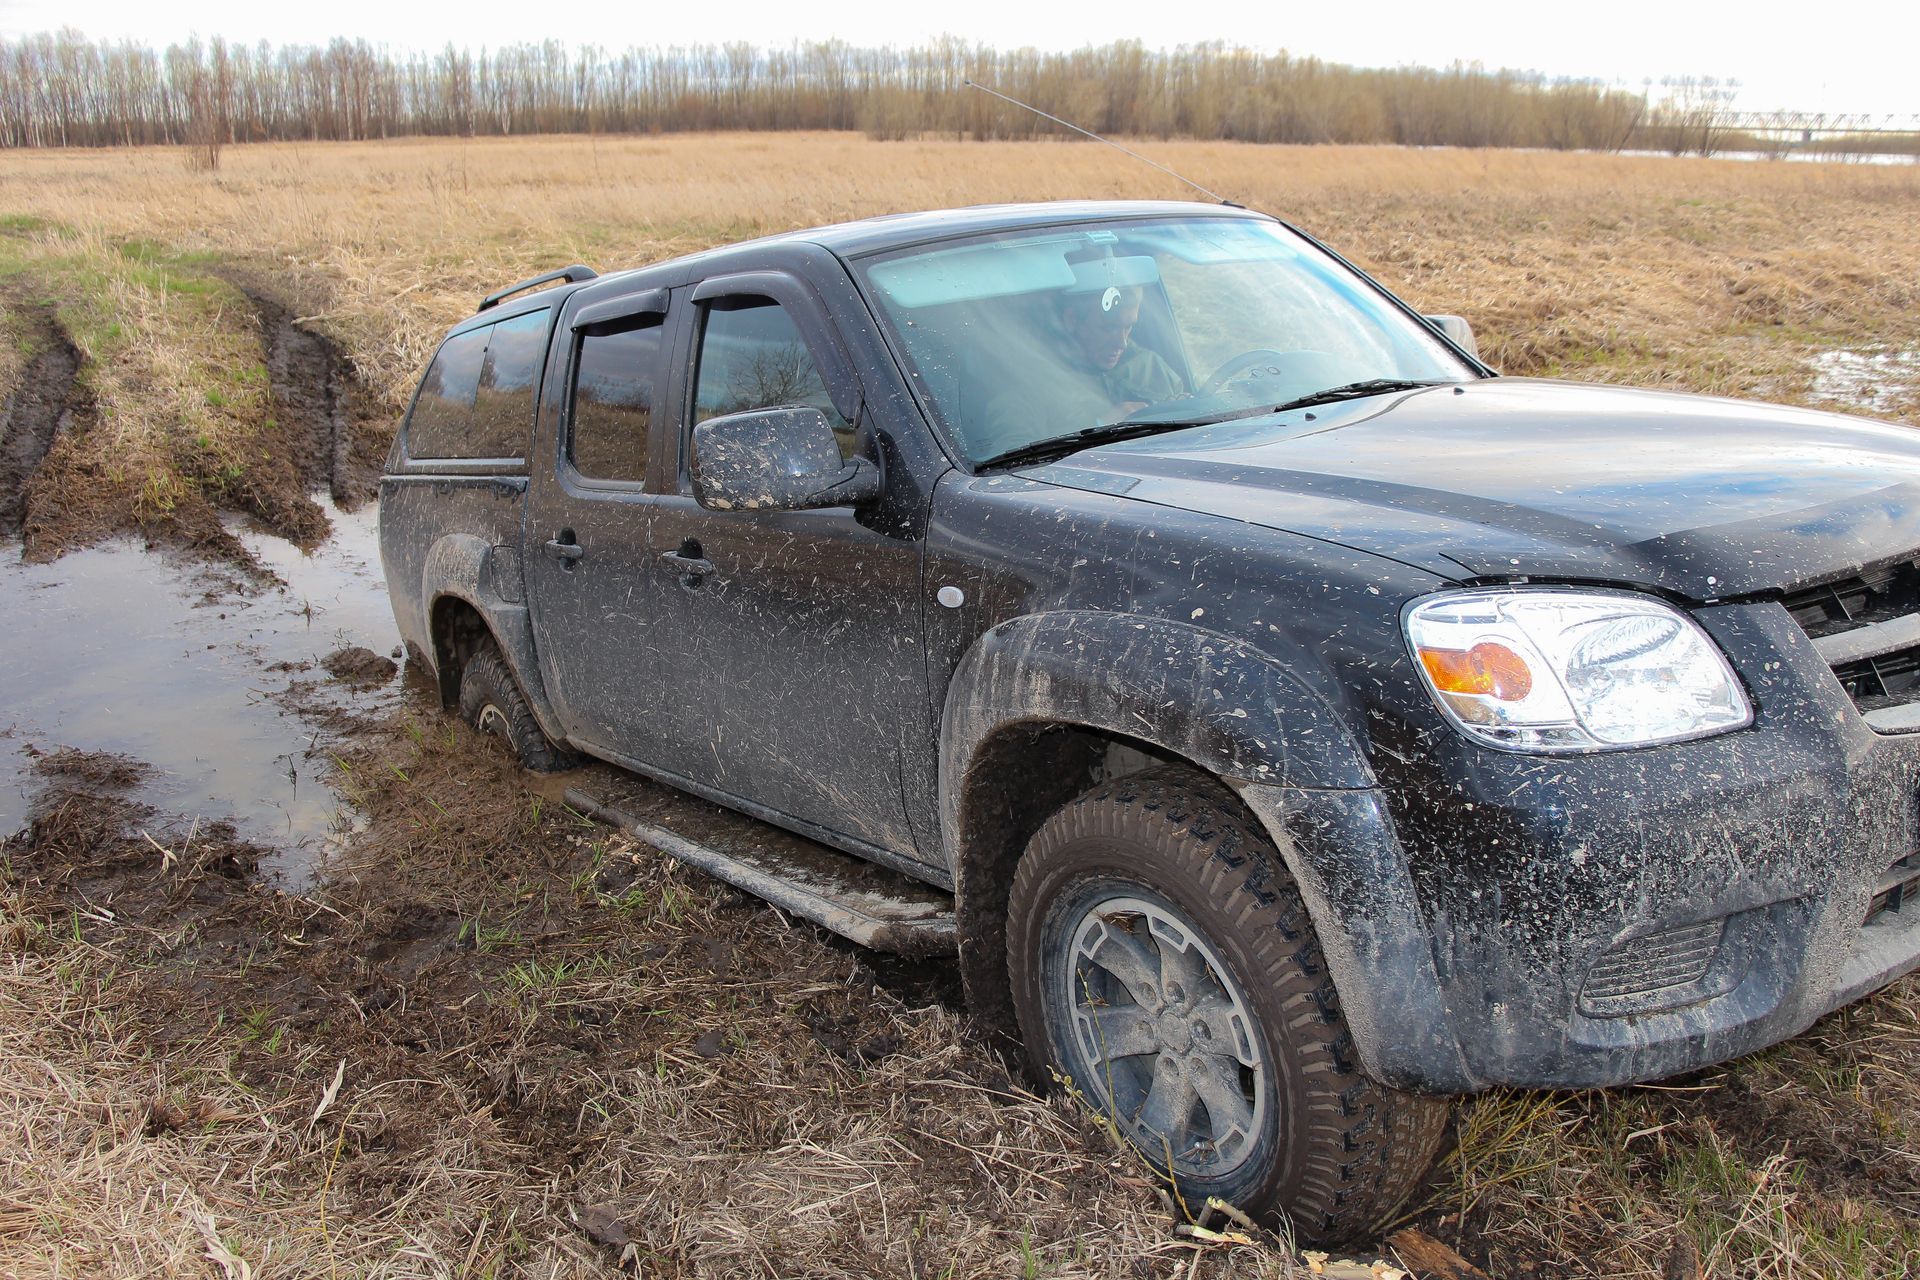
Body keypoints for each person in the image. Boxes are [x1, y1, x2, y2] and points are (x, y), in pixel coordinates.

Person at [972, 276, 1185, 459]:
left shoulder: (1148, 365)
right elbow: (1010, 463)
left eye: (1129, 327)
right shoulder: (1025, 387)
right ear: (1072, 320)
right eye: (1108, 328)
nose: (1122, 342)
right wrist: (1100, 425)